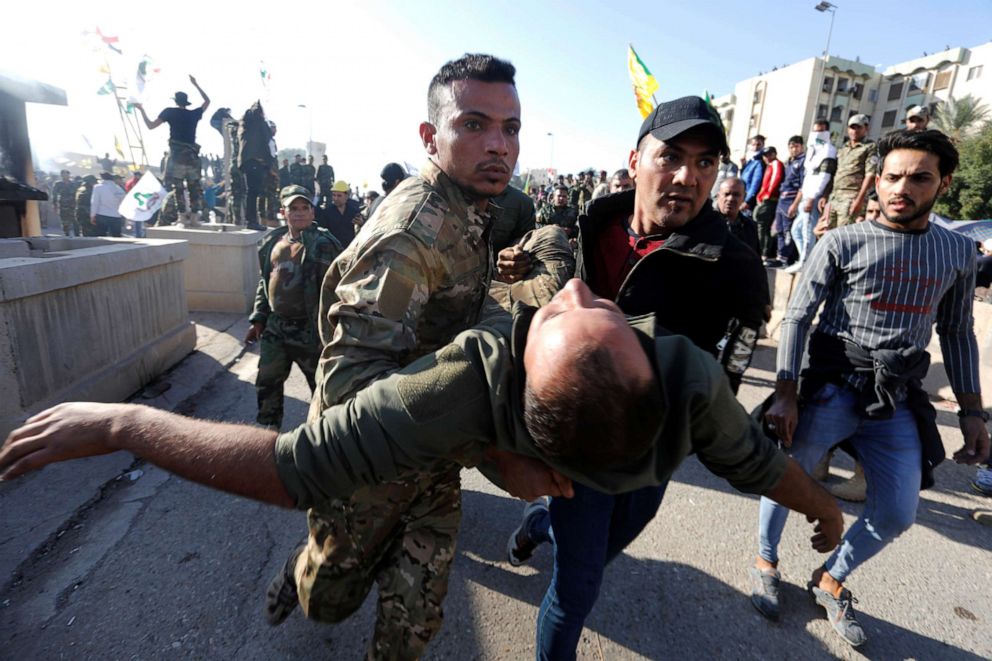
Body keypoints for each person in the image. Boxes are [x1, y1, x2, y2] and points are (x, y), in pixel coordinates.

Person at [262, 53, 537, 660]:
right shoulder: (411, 232)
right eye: (474, 124)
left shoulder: (477, 205)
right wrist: (490, 452)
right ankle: (304, 566)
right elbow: (351, 388)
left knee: (415, 616)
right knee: (328, 598)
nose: (499, 144)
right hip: (365, 463)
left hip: (430, 458)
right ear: (430, 136)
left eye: (510, 128)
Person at [507, 96, 770, 660]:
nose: (687, 176)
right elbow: (531, 306)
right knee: (577, 589)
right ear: (635, 160)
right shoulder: (585, 225)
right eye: (671, 156)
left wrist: (706, 417)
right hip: (575, 435)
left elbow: (741, 348)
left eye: (705, 163)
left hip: (654, 446)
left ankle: (540, 527)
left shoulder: (734, 262)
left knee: (603, 549)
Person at [753, 129, 989, 647]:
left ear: (943, 184)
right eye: (892, 176)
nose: (902, 187)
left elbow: (956, 330)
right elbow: (797, 317)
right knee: (783, 475)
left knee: (899, 511)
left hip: (897, 398)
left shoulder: (956, 252)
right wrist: (787, 391)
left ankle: (831, 578)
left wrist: (973, 410)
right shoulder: (841, 241)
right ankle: (765, 561)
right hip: (832, 387)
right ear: (876, 181)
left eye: (919, 177)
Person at [244, 185, 342, 429]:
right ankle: (267, 433)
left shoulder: (323, 243)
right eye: (293, 208)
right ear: (283, 212)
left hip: (309, 330)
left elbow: (337, 289)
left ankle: (325, 439)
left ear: (312, 212)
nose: (299, 213)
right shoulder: (271, 243)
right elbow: (265, 283)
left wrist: (331, 333)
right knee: (267, 382)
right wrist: (259, 318)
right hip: (276, 327)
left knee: (322, 388)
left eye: (304, 208)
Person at [134, 76, 210, 226]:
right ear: (186, 102)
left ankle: (182, 216)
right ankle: (195, 216)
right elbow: (207, 101)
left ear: (175, 101)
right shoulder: (193, 114)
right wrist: (196, 84)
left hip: (176, 155)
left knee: (178, 187)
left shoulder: (169, 112)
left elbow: (150, 125)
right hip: (192, 156)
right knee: (195, 187)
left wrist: (142, 110)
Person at [784, 119, 836, 274]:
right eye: (815, 130)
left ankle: (805, 262)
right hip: (805, 196)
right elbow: (807, 179)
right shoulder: (813, 152)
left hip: (813, 197)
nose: (816, 134)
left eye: (820, 130)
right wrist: (797, 202)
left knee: (807, 232)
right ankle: (804, 259)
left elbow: (824, 177)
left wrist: (812, 198)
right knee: (796, 230)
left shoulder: (828, 150)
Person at [825, 114, 877, 230]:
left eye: (859, 127)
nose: (855, 131)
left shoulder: (870, 147)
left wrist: (859, 200)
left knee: (844, 235)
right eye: (852, 127)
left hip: (851, 198)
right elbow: (836, 174)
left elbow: (870, 175)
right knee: (827, 234)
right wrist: (826, 195)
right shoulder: (844, 148)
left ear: (866, 128)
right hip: (834, 198)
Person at [773, 136, 805, 266]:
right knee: (779, 229)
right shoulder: (788, 162)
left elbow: (803, 186)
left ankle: (786, 258)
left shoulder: (803, 162)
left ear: (802, 147)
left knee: (788, 231)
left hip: (791, 199)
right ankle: (780, 257)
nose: (794, 149)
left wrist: (795, 204)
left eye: (796, 146)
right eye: (791, 147)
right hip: (782, 199)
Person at [754, 147, 784, 264]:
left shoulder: (776, 164)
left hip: (770, 199)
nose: (766, 157)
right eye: (764, 155)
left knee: (763, 226)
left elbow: (775, 180)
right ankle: (761, 251)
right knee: (761, 226)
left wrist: (767, 194)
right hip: (764, 198)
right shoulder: (770, 166)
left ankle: (763, 253)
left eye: (768, 155)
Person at [717, 177, 759, 255]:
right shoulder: (706, 223)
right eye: (726, 194)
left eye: (736, 195)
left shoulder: (751, 227)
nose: (730, 199)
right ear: (718, 196)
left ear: (744, 197)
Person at [316, 180, 361, 246]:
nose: (336, 198)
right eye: (334, 195)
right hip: (333, 249)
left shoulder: (354, 211)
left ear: (346, 196)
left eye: (339, 196)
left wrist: (361, 223)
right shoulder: (327, 212)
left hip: (350, 248)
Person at [90, 172, 126, 237]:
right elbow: (123, 202)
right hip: (116, 215)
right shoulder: (118, 189)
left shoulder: (98, 187)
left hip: (102, 214)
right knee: (116, 237)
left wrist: (92, 215)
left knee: (101, 236)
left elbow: (95, 202)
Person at [740, 134, 765, 211]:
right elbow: (744, 178)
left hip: (748, 200)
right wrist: (743, 166)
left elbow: (755, 184)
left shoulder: (759, 162)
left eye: (758, 144)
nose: (756, 147)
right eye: (753, 144)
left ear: (763, 145)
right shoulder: (751, 160)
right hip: (742, 196)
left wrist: (748, 201)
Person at [51, 170, 79, 237]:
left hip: (73, 205)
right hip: (63, 206)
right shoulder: (58, 184)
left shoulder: (73, 183)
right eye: (63, 175)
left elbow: (77, 194)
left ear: (69, 175)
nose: (65, 176)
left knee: (75, 222)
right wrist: (54, 205)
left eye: (66, 174)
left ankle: (77, 235)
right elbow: (54, 194)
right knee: (65, 222)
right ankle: (67, 235)